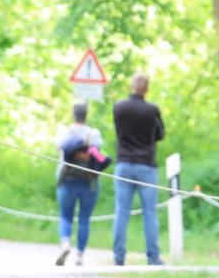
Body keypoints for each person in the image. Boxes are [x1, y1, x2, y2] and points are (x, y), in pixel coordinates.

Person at [112, 72, 166, 266]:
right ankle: (153, 257)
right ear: (146, 89)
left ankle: (119, 257)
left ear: (131, 86)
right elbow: (160, 134)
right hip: (146, 165)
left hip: (124, 163)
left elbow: (119, 131)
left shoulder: (118, 107)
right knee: (150, 213)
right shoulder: (152, 110)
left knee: (121, 212)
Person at [54, 103, 103, 266]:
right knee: (84, 218)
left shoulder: (64, 132)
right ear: (86, 115)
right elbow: (98, 153)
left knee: (65, 215)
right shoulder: (93, 134)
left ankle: (65, 244)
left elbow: (58, 149)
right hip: (88, 181)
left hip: (67, 180)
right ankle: (79, 256)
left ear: (73, 114)